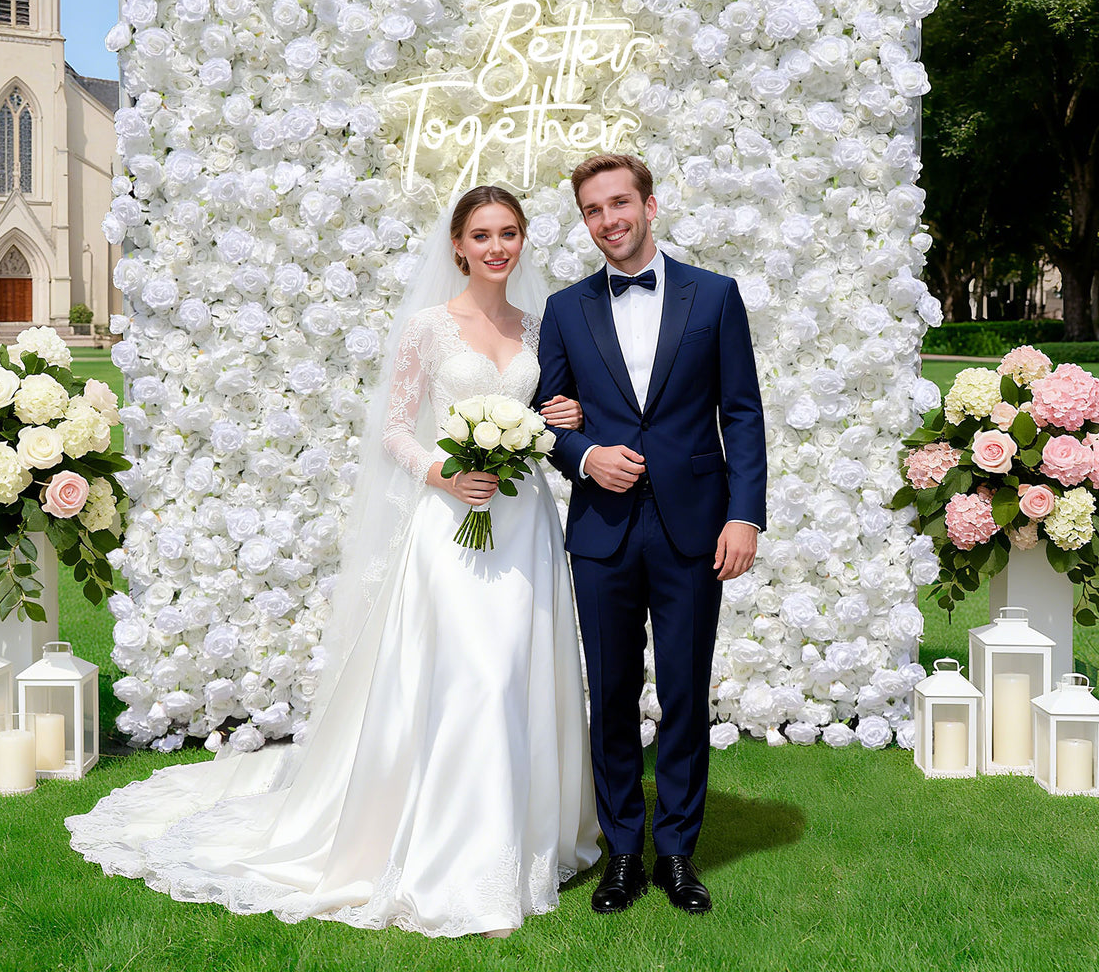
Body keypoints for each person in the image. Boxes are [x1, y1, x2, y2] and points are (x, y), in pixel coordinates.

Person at [66, 185, 601, 938]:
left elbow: (553, 412)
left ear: (522, 241)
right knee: (467, 677)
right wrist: (444, 475)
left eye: (508, 233)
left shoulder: (541, 328)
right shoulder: (427, 327)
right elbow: (392, 430)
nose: (496, 247)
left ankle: (525, 838)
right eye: (481, 234)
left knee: (517, 671)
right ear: (457, 245)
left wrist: (562, 418)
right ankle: (456, 854)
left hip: (523, 525)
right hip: (451, 522)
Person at [534, 152, 767, 916]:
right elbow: (546, 417)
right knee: (611, 695)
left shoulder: (715, 296)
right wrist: (586, 455)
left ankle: (676, 853)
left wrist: (743, 514)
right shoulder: (566, 310)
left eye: (618, 204)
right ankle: (623, 854)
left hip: (694, 530)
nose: (608, 221)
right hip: (601, 533)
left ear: (649, 205)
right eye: (594, 211)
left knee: (684, 695)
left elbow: (742, 413)